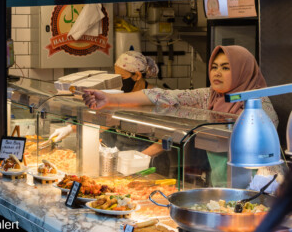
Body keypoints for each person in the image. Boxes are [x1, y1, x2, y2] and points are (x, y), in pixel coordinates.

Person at [83, 45, 282, 186]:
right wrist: (110, 99)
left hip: (260, 185)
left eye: (226, 67)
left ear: (243, 71)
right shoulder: (209, 96)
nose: (217, 73)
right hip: (221, 182)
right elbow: (164, 96)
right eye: (214, 67)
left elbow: (263, 152)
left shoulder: (258, 104)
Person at [50, 50, 164, 156]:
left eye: (122, 77)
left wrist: (140, 158)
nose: (118, 82)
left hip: (151, 161)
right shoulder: (121, 95)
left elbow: (165, 142)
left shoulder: (160, 100)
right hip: (122, 154)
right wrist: (71, 129)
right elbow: (106, 123)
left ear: (137, 76)